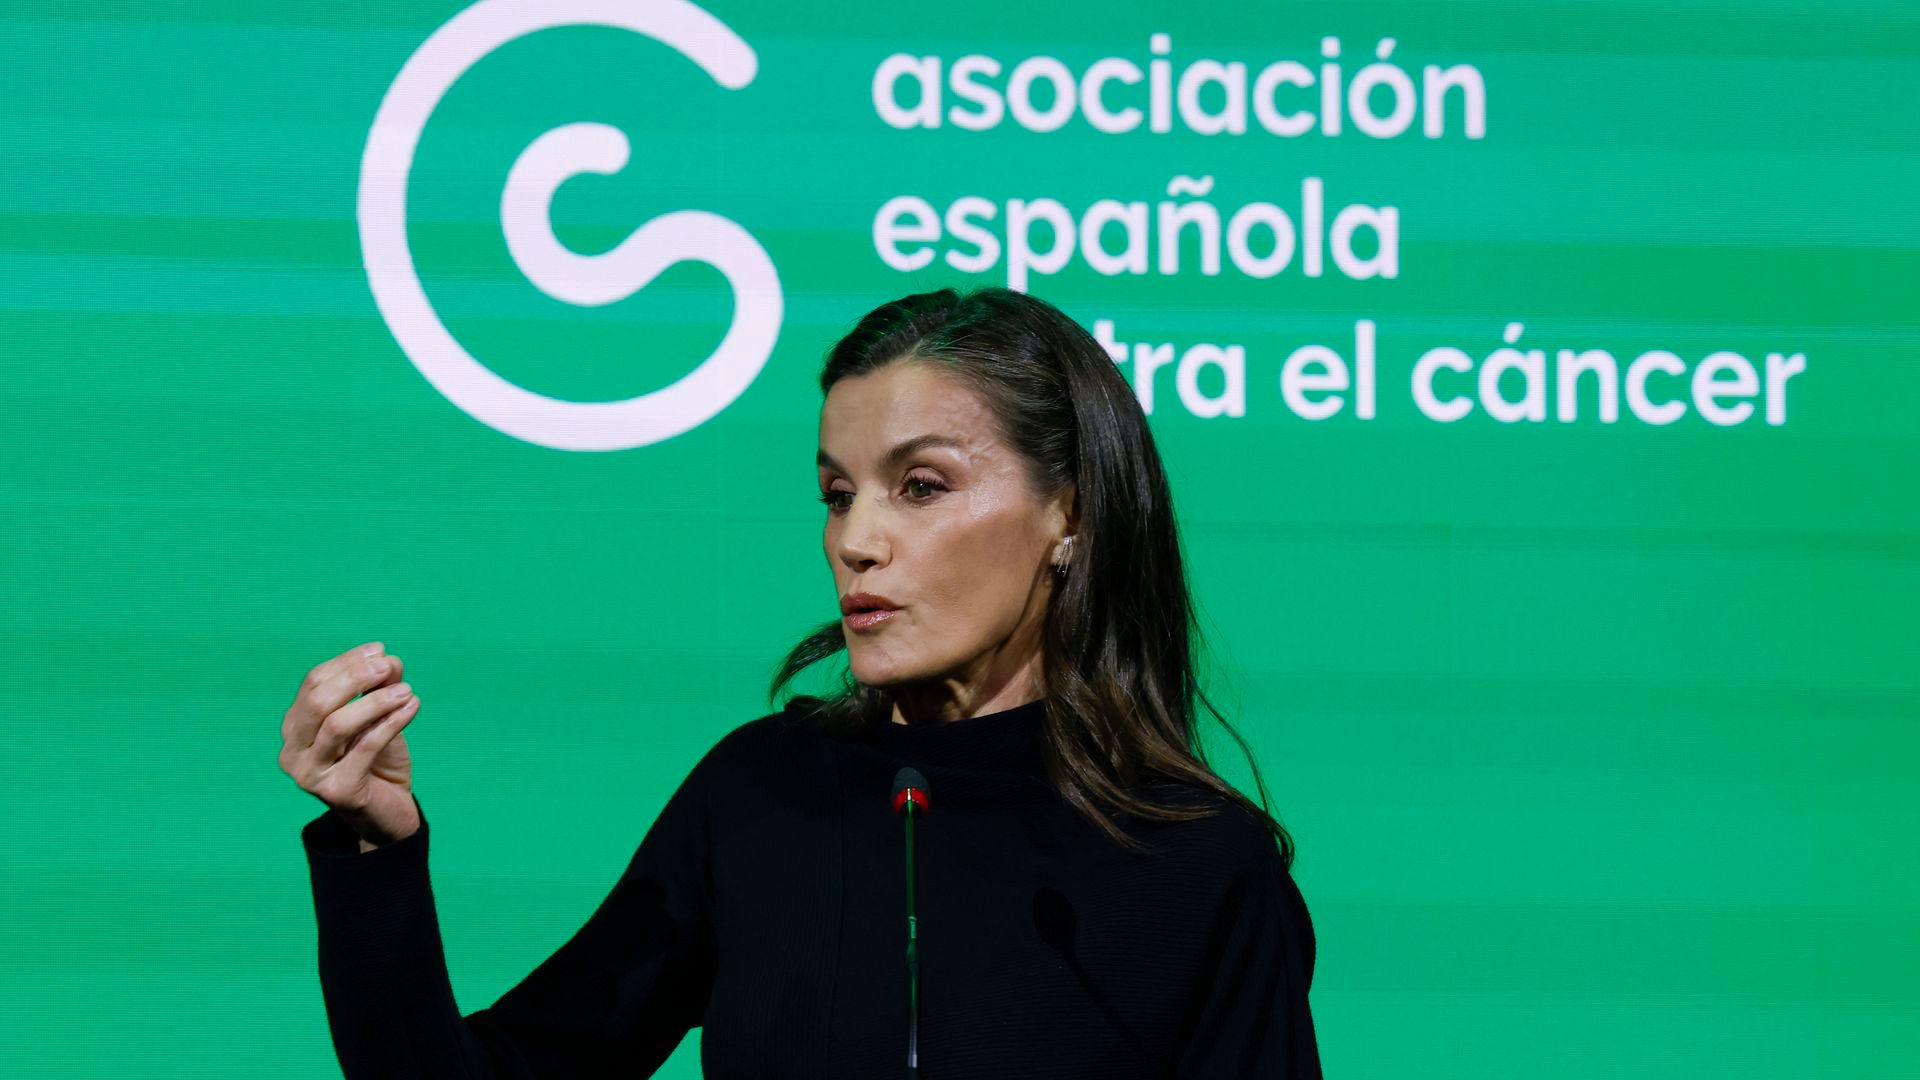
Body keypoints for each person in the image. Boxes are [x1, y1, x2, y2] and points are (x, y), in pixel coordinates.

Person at [280, 285, 1323, 1078]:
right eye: (836, 494)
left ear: (1073, 515)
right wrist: (380, 842)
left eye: (920, 487)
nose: (856, 541)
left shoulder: (1200, 866)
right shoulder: (761, 795)